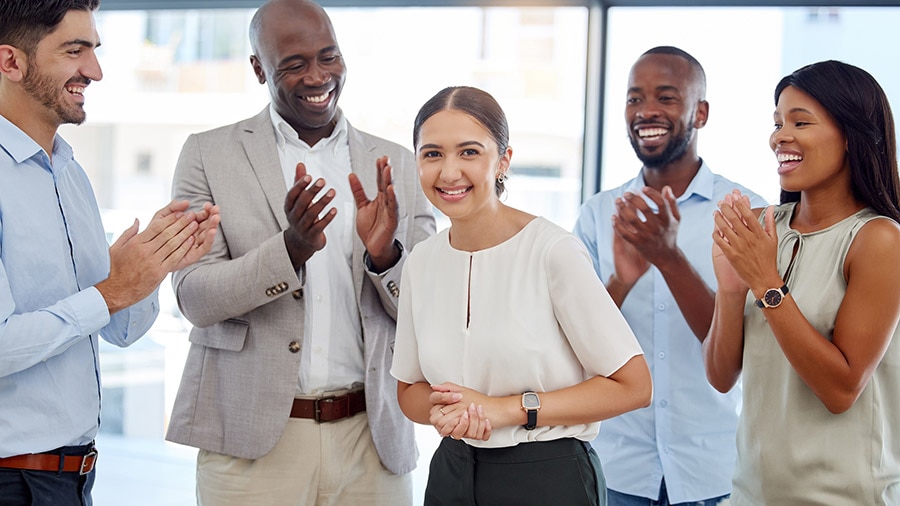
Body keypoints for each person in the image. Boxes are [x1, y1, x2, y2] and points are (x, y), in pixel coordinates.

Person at [164, 0, 435, 504]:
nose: (318, 77)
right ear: (257, 69)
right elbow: (194, 299)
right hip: (252, 445)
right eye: (294, 64)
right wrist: (289, 250)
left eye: (328, 57)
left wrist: (384, 258)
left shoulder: (395, 163)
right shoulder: (207, 154)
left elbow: (428, 314)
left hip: (371, 440)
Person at [0, 1, 219, 504]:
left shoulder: (70, 174)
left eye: (94, 50)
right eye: (75, 52)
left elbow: (119, 329)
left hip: (74, 478)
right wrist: (112, 288)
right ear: (11, 62)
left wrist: (154, 265)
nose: (95, 71)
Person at [391, 85, 652, 506]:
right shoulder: (422, 261)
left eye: (470, 152)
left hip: (548, 477)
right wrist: (448, 412)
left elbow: (634, 385)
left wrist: (508, 410)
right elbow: (409, 391)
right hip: (451, 474)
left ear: (503, 161)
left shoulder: (552, 251)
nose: (449, 172)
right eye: (432, 153)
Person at [573, 46, 766, 506]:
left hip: (712, 473)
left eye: (666, 97)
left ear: (700, 112)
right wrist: (622, 280)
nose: (646, 112)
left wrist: (669, 258)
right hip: (617, 471)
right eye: (634, 98)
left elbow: (737, 352)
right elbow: (575, 347)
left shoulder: (748, 211)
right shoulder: (598, 215)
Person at [704, 60, 900, 505]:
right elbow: (720, 376)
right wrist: (732, 290)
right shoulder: (763, 228)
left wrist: (764, 281)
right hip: (750, 494)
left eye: (800, 122)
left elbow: (840, 390)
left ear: (850, 136)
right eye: (777, 123)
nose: (780, 137)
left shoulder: (878, 240)